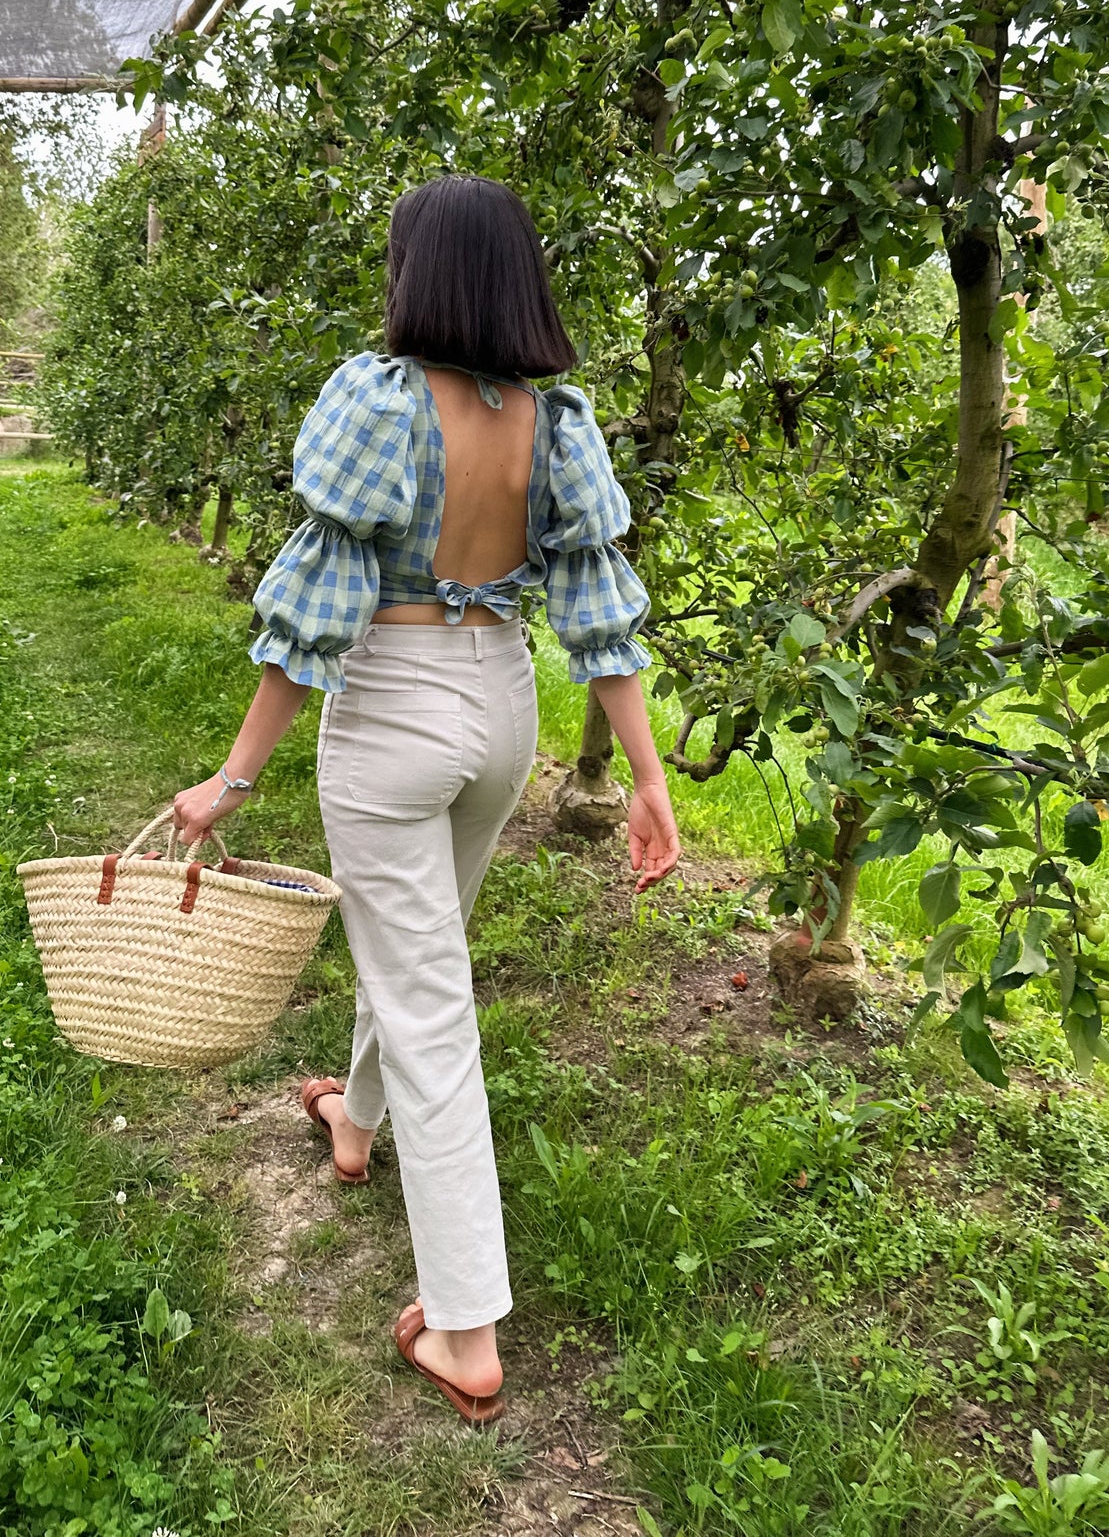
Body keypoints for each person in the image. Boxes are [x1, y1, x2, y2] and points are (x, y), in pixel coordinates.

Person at [172, 174, 680, 1425]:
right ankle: (352, 1116)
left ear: (422, 276)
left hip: (395, 707)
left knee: (426, 994)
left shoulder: (383, 399)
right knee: (417, 949)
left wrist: (233, 776)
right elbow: (598, 609)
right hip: (500, 704)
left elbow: (317, 609)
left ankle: (464, 1327)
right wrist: (647, 776)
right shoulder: (554, 421)